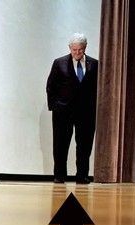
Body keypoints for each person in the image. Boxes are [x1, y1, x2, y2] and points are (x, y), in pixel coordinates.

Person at [46, 33, 98, 184]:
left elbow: (97, 88)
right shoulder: (59, 63)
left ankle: (82, 176)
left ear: (85, 48)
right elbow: (51, 86)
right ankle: (59, 175)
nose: (76, 53)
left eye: (80, 50)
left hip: (86, 113)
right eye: (74, 49)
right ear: (69, 48)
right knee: (60, 144)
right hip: (63, 112)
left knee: (84, 145)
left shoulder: (94, 64)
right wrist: (54, 107)